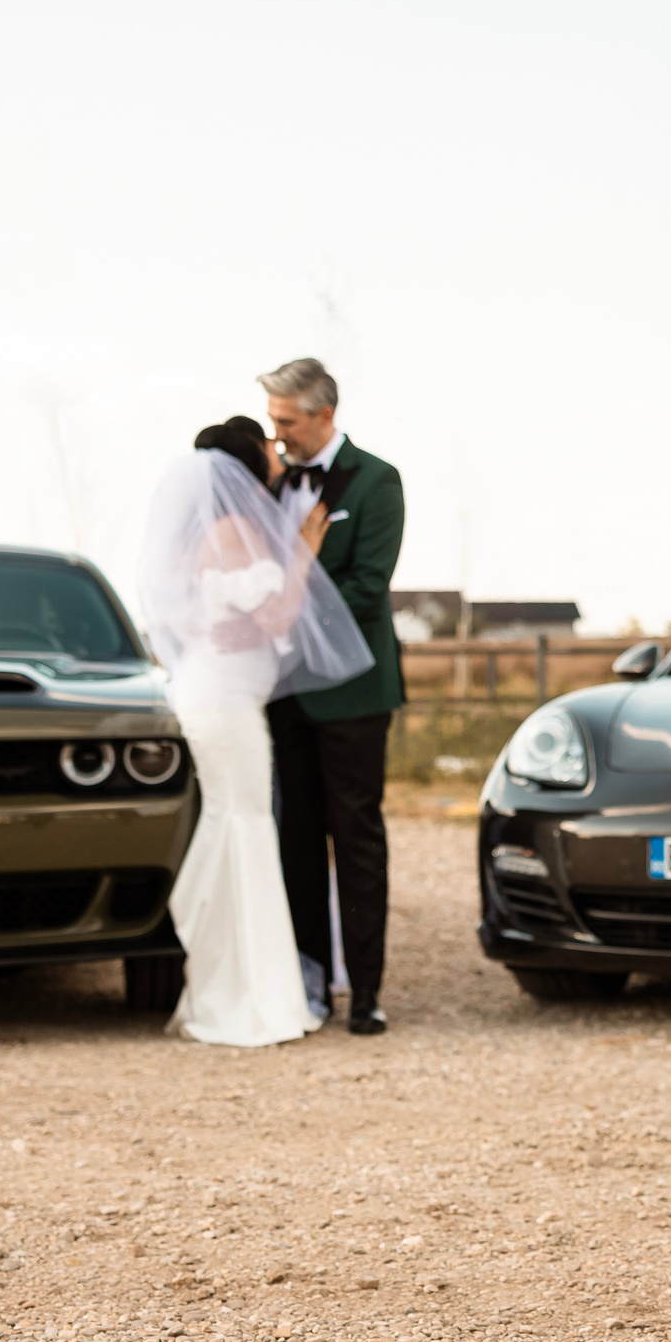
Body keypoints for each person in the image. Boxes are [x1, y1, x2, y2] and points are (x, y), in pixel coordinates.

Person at [136, 416, 372, 1048]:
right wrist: (301, 555)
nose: (276, 448)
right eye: (266, 441)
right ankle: (248, 995)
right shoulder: (236, 527)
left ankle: (236, 981)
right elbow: (275, 614)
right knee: (243, 825)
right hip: (225, 701)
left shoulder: (217, 528)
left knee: (236, 823)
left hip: (223, 694)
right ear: (247, 457)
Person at [258, 358, 405, 1036]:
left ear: (324, 414)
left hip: (353, 693)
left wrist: (285, 612)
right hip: (285, 693)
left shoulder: (377, 482)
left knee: (356, 839)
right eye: (272, 418)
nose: (277, 431)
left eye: (286, 420)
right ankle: (311, 984)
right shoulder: (272, 481)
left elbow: (368, 586)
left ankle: (367, 992)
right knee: (295, 841)